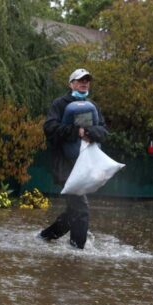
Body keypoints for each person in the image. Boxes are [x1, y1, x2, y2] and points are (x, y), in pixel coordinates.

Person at [39, 68, 108, 249]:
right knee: (81, 209)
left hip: (85, 166)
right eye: (79, 80)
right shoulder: (59, 104)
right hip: (65, 167)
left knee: (73, 211)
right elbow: (49, 128)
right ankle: (77, 252)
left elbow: (104, 131)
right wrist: (74, 131)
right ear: (71, 84)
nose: (84, 83)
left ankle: (45, 237)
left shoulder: (93, 106)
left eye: (87, 80)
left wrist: (89, 132)